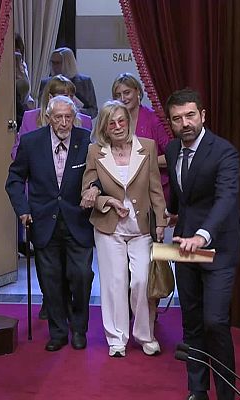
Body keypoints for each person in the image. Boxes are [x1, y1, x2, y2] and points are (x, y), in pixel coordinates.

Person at [164, 89, 240, 400]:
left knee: (215, 321)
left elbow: (226, 199)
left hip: (218, 247)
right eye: (177, 118)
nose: (184, 123)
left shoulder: (224, 152)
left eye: (189, 115)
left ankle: (227, 395)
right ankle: (197, 390)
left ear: (202, 115)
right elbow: (181, 193)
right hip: (184, 246)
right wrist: (171, 215)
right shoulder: (172, 151)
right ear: (171, 123)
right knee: (192, 321)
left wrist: (202, 234)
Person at [6, 95, 95, 352]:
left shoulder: (85, 141)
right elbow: (14, 180)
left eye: (69, 117)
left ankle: (79, 328)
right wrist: (22, 209)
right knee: (50, 279)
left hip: (78, 220)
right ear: (48, 117)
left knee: (81, 276)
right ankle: (58, 332)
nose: (64, 123)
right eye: (59, 117)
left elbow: (101, 175)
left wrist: (95, 189)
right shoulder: (31, 142)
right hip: (43, 220)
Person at [80, 100, 167, 358]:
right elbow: (87, 192)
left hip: (141, 228)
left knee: (141, 280)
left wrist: (161, 222)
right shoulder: (95, 151)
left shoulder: (147, 147)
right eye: (112, 123)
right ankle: (116, 339)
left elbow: (155, 189)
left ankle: (144, 335)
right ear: (104, 127)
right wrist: (108, 201)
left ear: (129, 122)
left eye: (122, 121)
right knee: (114, 283)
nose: (118, 127)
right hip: (109, 227)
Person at [111, 73, 171, 204]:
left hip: (155, 191)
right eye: (118, 95)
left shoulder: (154, 120)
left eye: (127, 93)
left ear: (137, 91)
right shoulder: (113, 122)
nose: (123, 98)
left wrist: (140, 160)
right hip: (123, 192)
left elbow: (171, 156)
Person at [13, 75, 92, 160]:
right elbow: (16, 152)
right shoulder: (30, 118)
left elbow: (91, 155)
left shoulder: (85, 121)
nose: (70, 101)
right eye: (64, 96)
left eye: (72, 96)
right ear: (50, 97)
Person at [39, 47, 98, 118]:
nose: (54, 66)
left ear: (68, 63)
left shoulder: (84, 82)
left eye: (57, 63)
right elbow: (41, 107)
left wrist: (75, 111)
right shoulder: (45, 83)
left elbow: (93, 111)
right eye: (52, 62)